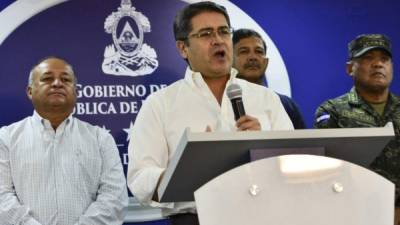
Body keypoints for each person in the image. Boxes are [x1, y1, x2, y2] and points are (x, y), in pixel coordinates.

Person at [127, 2, 293, 225]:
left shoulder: (266, 99)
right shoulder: (160, 104)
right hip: (195, 218)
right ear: (183, 48)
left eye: (224, 31)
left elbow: (292, 164)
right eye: (206, 34)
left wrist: (265, 146)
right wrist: (187, 167)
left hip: (262, 215)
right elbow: (140, 179)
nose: (218, 39)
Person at [0, 57, 128, 225]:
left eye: (66, 79)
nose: (57, 83)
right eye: (47, 78)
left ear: (76, 91)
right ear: (30, 91)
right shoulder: (6, 138)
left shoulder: (100, 139)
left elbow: (114, 199)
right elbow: (2, 197)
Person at [313, 34, 400, 222]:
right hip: (352, 213)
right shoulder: (332, 110)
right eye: (368, 58)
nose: (378, 64)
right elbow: (328, 171)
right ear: (350, 68)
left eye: (384, 59)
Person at [232, 28, 306, 129]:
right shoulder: (219, 100)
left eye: (259, 51)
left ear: (266, 61)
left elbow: (300, 144)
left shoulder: (286, 105)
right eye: (244, 51)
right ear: (230, 60)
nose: (252, 57)